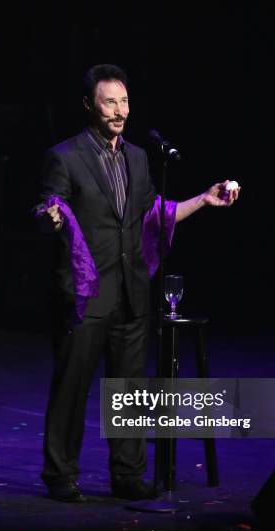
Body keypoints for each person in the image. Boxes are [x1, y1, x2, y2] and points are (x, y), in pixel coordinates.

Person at [33, 64, 240, 502]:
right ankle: (60, 475)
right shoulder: (65, 156)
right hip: (86, 293)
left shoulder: (140, 157)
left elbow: (154, 216)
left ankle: (127, 473)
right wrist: (49, 217)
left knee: (127, 391)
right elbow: (48, 207)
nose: (119, 110)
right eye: (110, 101)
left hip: (132, 291)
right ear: (89, 105)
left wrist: (204, 199)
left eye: (124, 101)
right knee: (72, 386)